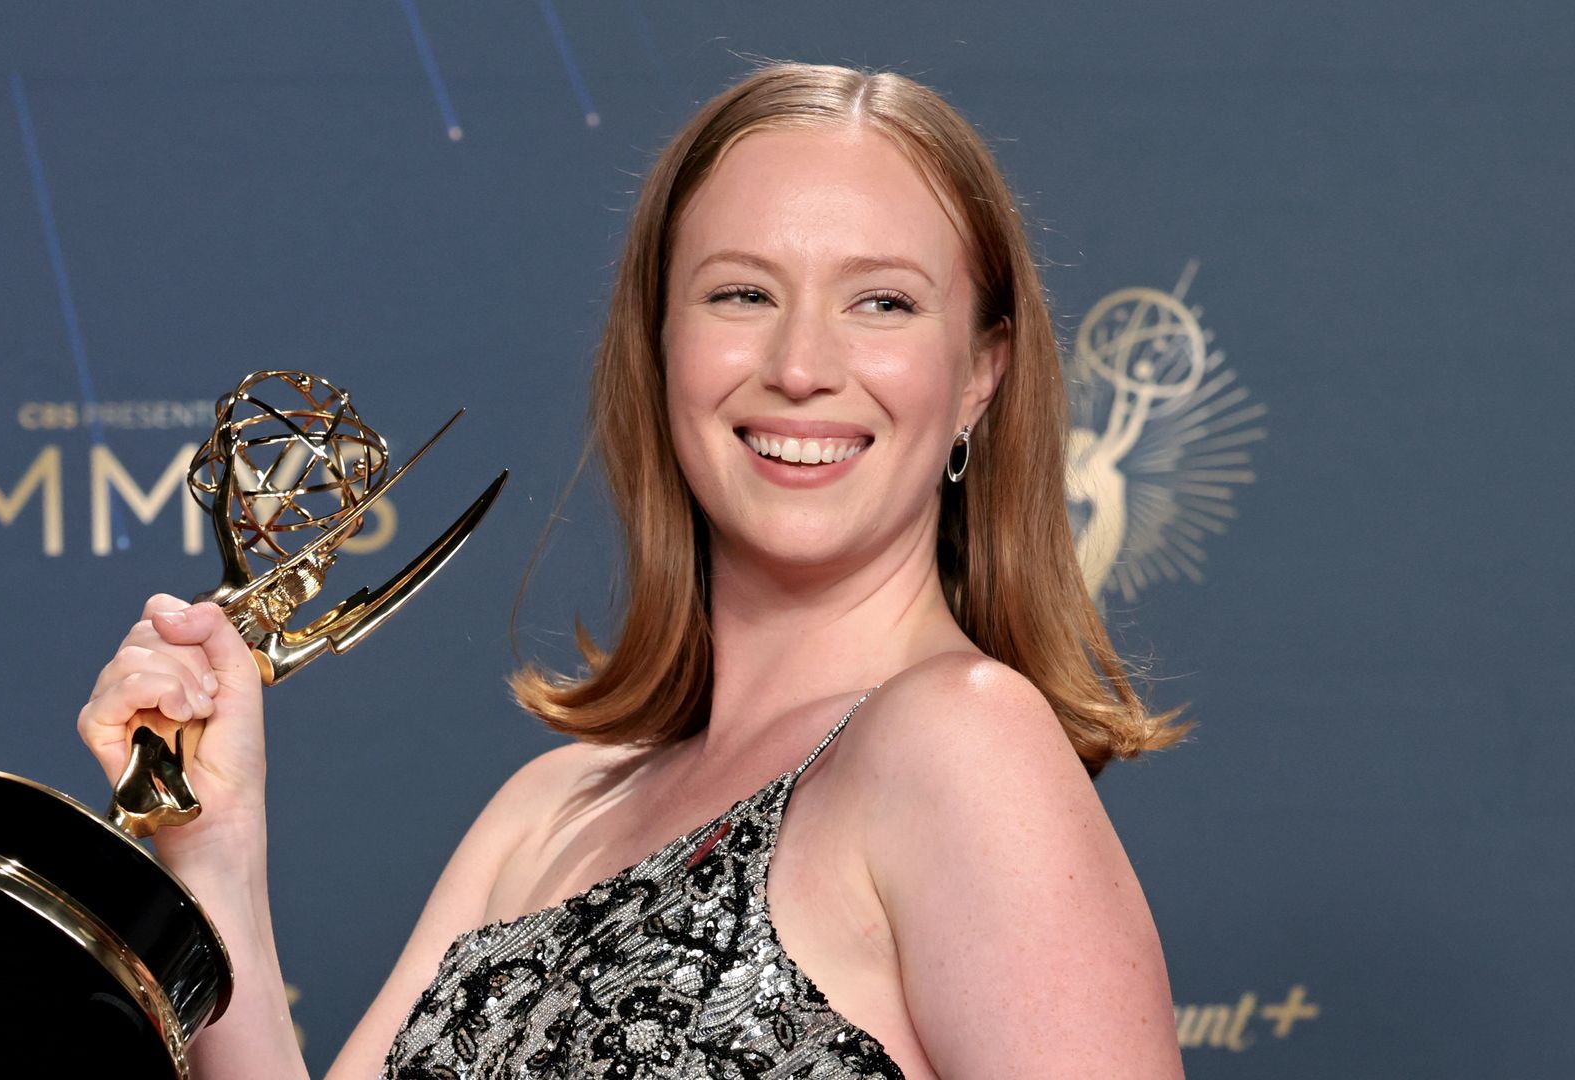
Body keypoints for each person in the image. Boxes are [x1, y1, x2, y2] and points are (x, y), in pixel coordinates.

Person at [77, 61, 1189, 1079]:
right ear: (659, 346)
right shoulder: (548, 809)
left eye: (882, 302)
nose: (802, 366)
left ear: (982, 374)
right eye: (741, 294)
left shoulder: (964, 745)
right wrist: (212, 850)